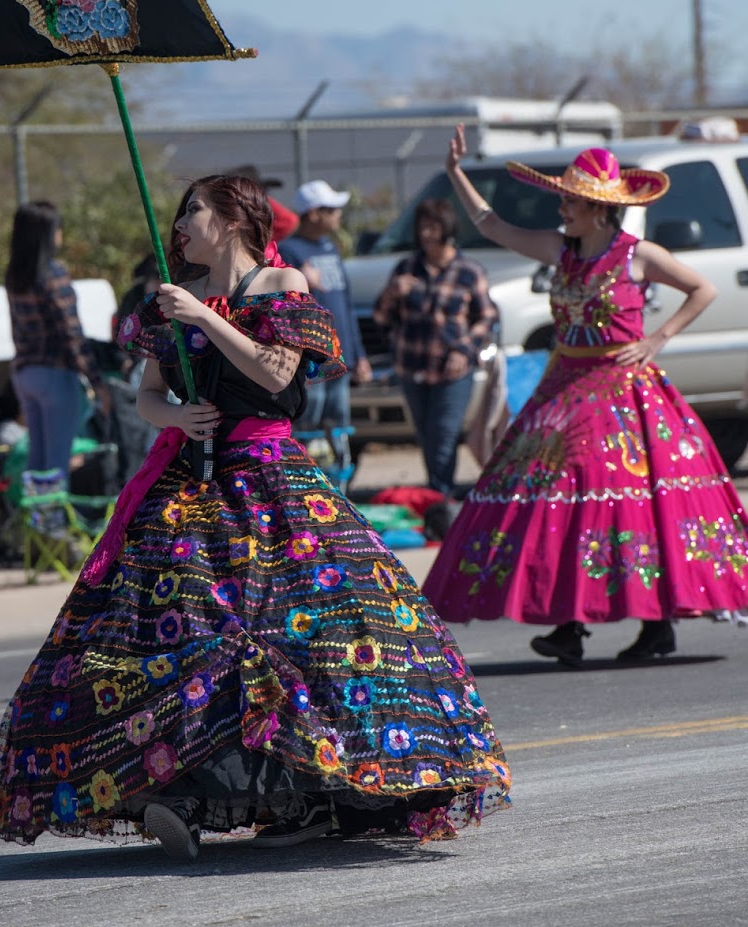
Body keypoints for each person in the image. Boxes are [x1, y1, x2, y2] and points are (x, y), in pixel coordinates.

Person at [0, 173, 510, 861]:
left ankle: (312, 792)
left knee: (314, 633)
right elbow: (146, 396)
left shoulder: (282, 285)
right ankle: (182, 790)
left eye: (192, 212)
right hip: (189, 482)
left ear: (232, 218)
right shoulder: (169, 299)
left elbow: (274, 374)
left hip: (271, 482)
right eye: (177, 215)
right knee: (178, 627)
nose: (179, 226)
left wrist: (205, 319)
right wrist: (177, 412)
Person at [423, 127, 748, 664]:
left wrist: (656, 339)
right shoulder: (561, 250)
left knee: (623, 504)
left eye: (571, 199)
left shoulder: (638, 254)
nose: (562, 206)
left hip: (622, 394)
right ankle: (571, 623)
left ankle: (652, 625)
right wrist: (456, 172)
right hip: (564, 388)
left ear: (599, 208)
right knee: (555, 500)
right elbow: (492, 225)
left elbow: (703, 288)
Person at [372, 198, 497, 514]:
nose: (427, 234)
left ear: (447, 229)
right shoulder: (406, 268)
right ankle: (438, 499)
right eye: (422, 227)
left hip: (453, 371)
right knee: (427, 435)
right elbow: (381, 318)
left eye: (433, 227)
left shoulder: (468, 271)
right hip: (412, 366)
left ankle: (442, 499)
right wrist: (391, 294)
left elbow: (486, 318)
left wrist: (464, 350)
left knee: (444, 434)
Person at [5, 200, 106, 483]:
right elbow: (71, 332)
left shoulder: (15, 275)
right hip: (55, 374)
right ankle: (52, 524)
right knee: (56, 463)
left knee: (36, 459)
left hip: (25, 373)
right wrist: (97, 383)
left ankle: (33, 523)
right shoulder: (53, 273)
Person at [278, 180, 371, 438]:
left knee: (338, 421)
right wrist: (301, 279)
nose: (338, 214)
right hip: (312, 355)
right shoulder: (289, 250)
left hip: (340, 354)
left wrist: (358, 353)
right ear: (314, 213)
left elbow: (347, 305)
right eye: (331, 209)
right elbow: (282, 303)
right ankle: (308, 473)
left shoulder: (331, 248)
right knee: (311, 417)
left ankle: (338, 476)